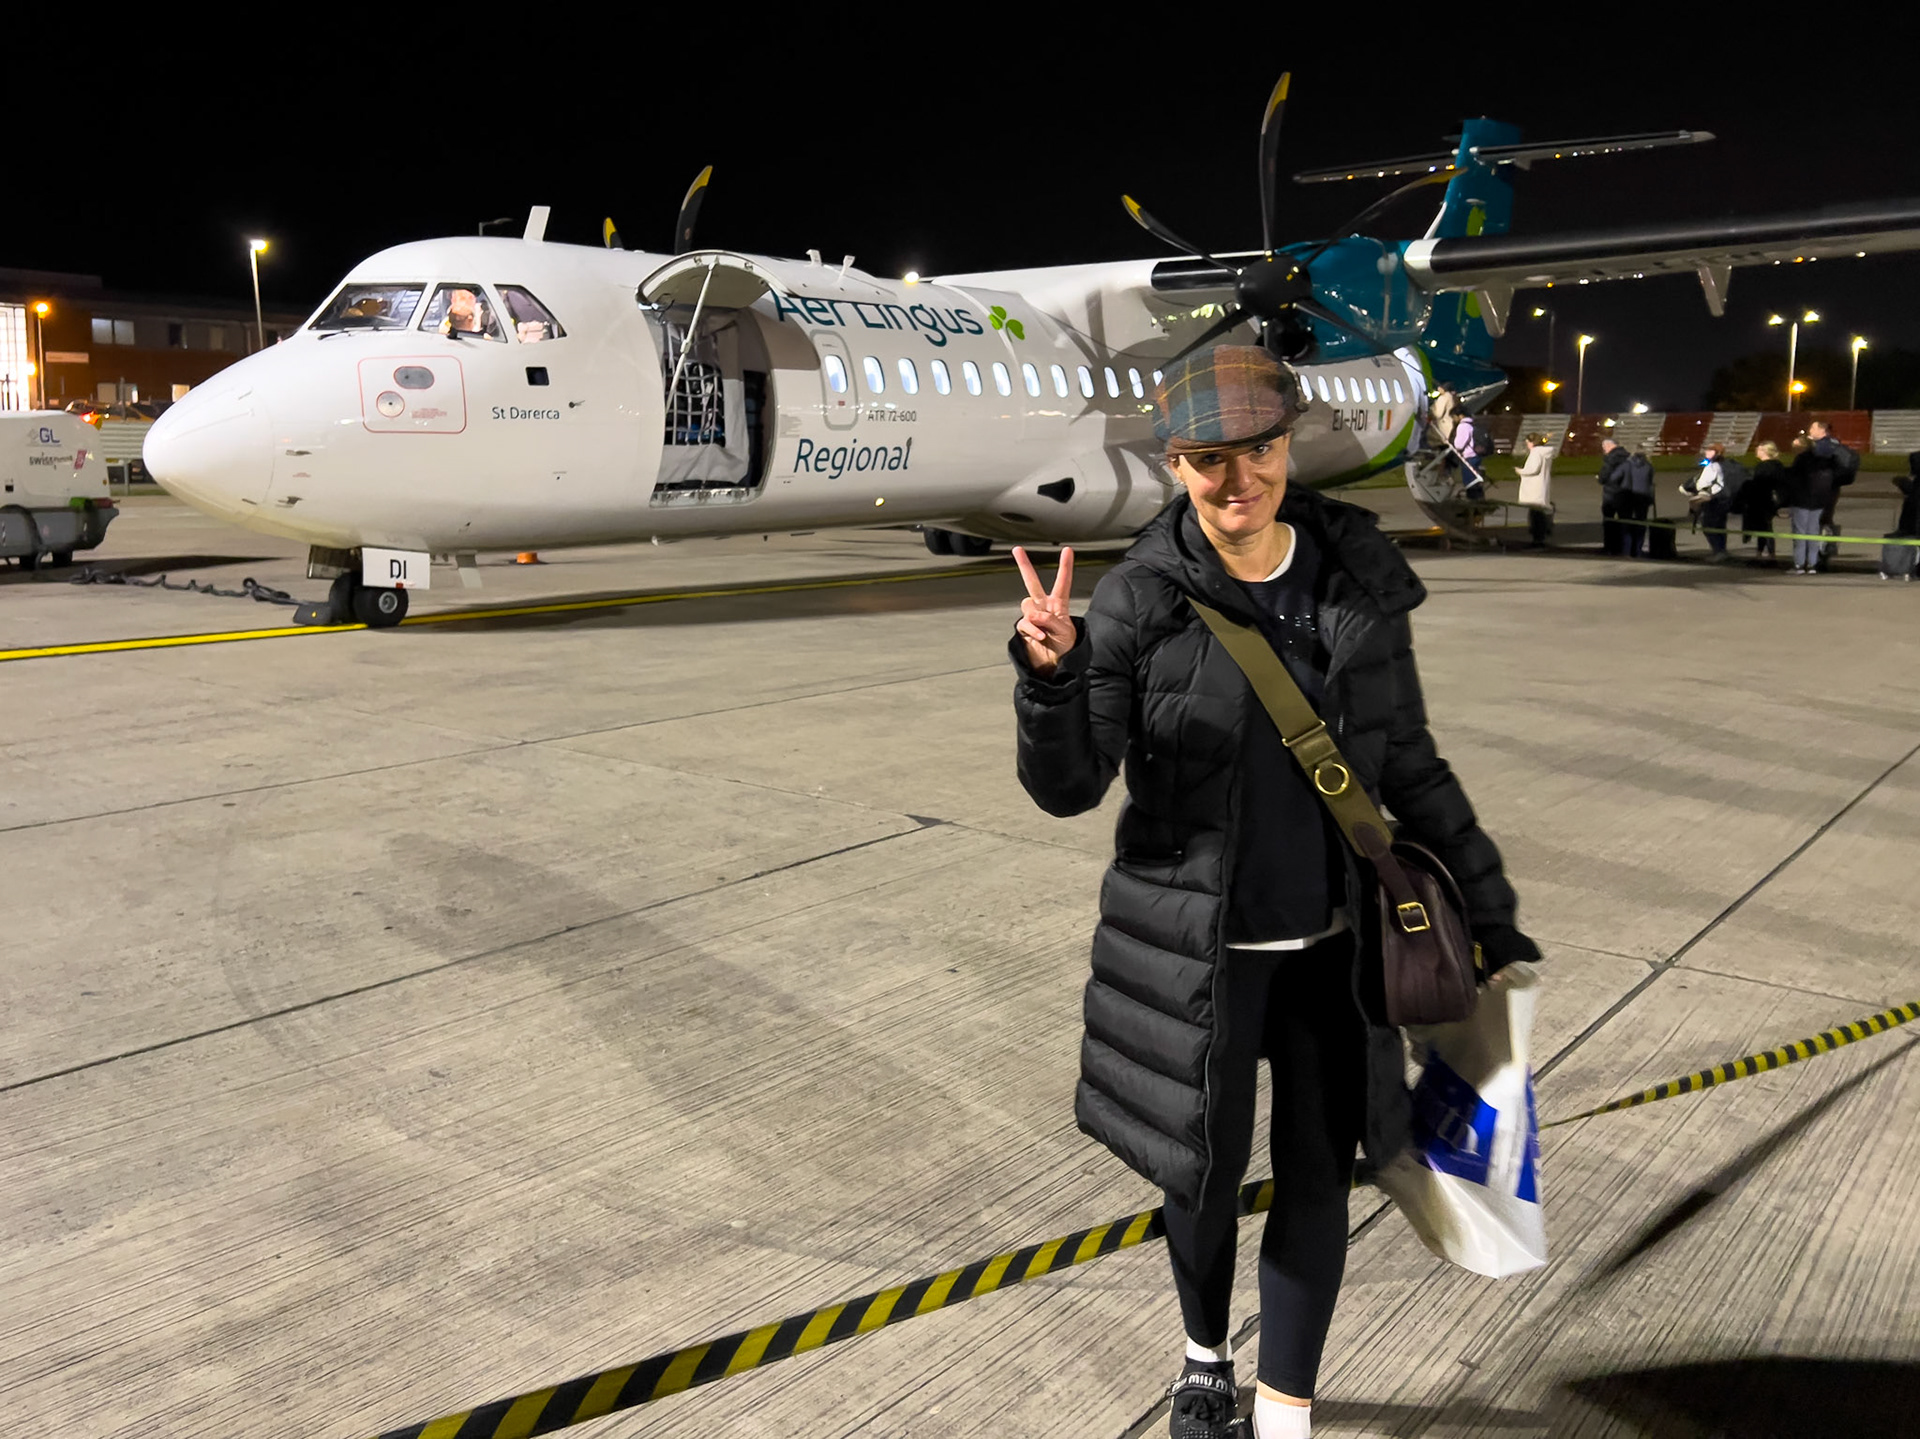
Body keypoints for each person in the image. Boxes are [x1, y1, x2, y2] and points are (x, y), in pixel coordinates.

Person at [1008, 344, 1537, 1439]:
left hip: (1334, 953)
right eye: (1208, 459)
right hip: (1192, 957)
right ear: (1176, 464)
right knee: (1198, 1176)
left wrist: (1486, 914)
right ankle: (1205, 1360)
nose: (1236, 478)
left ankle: (1286, 1408)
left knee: (1316, 1177)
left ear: (1289, 445)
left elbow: (1409, 763)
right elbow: (1068, 787)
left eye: (1258, 450)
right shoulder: (1139, 600)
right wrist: (1053, 680)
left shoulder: (1352, 583)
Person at [1806, 420, 1858, 571]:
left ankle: (1816, 557)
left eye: (1813, 428)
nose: (1810, 430)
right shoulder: (1835, 444)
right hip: (1833, 488)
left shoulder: (1821, 447)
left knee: (1816, 521)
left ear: (1822, 430)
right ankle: (1826, 553)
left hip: (1821, 489)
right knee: (1827, 519)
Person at [1780, 434, 1831, 574]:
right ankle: (1812, 564)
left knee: (1800, 533)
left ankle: (1799, 564)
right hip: (1818, 502)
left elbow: (1793, 481)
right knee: (1813, 532)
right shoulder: (1821, 460)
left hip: (1801, 501)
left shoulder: (1801, 460)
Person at [1743, 441, 1786, 566]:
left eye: (1759, 449)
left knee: (1765, 528)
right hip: (1772, 500)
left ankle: (1766, 555)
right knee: (1765, 526)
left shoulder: (1763, 466)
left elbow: (1758, 484)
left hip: (1762, 499)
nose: (1756, 451)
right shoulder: (1778, 465)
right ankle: (1765, 553)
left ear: (1765, 451)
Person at [1514, 432, 1555, 547]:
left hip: (1534, 488)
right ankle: (1540, 536)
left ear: (1532, 443)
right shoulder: (1544, 453)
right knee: (1539, 513)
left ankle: (1537, 538)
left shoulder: (1536, 453)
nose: (1527, 445)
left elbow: (1533, 469)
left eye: (1528, 442)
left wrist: (1520, 471)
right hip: (1540, 486)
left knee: (1535, 514)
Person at [1618, 443, 1657, 557]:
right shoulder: (1648, 466)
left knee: (1627, 524)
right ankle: (1638, 549)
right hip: (1643, 498)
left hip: (1629, 497)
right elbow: (1650, 482)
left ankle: (1627, 550)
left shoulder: (1626, 465)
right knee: (1641, 523)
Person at [1596, 436, 1632, 554]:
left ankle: (1610, 547)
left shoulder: (1611, 458)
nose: (1603, 449)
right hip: (1626, 493)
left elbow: (1604, 475)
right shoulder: (1627, 457)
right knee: (1626, 521)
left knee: (1609, 521)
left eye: (1604, 447)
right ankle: (1626, 547)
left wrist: (1600, 478)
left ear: (1609, 445)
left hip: (1611, 493)